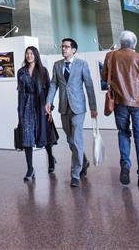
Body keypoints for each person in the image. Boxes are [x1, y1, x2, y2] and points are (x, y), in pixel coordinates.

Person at [101, 30, 139, 187]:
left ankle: (125, 164)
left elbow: (104, 76)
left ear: (121, 43)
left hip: (119, 102)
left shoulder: (110, 56)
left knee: (123, 133)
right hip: (138, 103)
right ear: (134, 44)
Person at [45, 37, 97, 187]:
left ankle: (75, 174)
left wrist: (93, 107)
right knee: (69, 139)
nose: (63, 49)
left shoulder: (82, 64)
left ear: (74, 50)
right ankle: (84, 161)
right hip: (63, 106)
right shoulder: (57, 65)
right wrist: (49, 101)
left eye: (66, 47)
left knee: (76, 139)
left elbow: (89, 85)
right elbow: (54, 84)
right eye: (62, 46)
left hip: (78, 107)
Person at [17, 45, 56, 181]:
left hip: (41, 105)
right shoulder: (21, 72)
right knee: (27, 136)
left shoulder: (43, 71)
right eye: (27, 53)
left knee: (44, 134)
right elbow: (20, 92)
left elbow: (49, 91)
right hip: (27, 105)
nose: (29, 56)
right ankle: (30, 169)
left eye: (32, 53)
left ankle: (51, 158)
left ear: (36, 55)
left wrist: (50, 108)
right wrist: (19, 111)